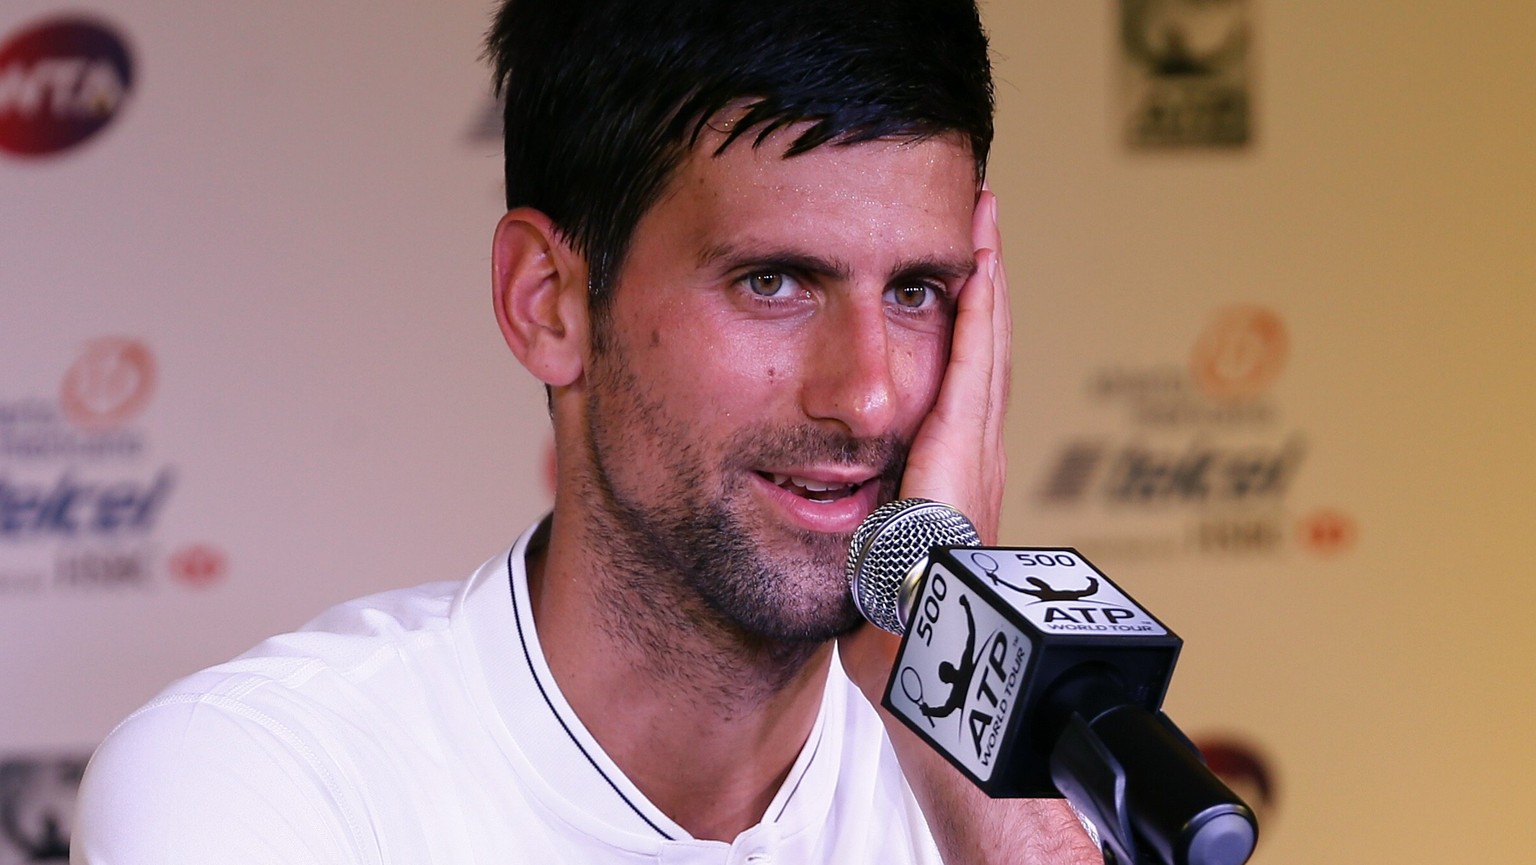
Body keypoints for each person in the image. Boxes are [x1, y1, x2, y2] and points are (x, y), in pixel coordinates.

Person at [72, 0, 1103, 862]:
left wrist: (955, 692)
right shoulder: (252, 776)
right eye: (775, 281)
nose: (870, 398)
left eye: (918, 291)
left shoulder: (1033, 802)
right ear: (549, 301)